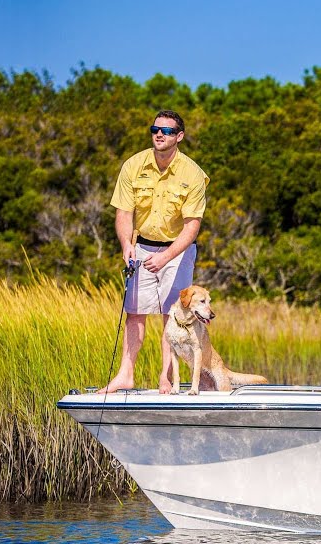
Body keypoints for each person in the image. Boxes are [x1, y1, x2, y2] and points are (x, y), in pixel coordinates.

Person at [98, 110, 210, 394]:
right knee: (134, 312)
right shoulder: (133, 165)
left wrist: (166, 257)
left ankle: (167, 378)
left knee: (170, 314)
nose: (160, 134)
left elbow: (191, 227)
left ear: (179, 136)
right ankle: (125, 375)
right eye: (155, 129)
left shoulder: (193, 174)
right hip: (142, 245)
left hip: (177, 250)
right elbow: (124, 213)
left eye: (168, 131)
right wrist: (126, 245)